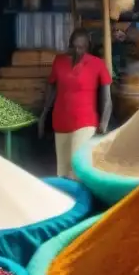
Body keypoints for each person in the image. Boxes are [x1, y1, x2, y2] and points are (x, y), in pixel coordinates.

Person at [39, 29, 112, 178]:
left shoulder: (97, 64)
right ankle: (66, 198)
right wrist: (43, 115)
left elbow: (107, 99)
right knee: (62, 170)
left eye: (81, 47)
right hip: (60, 120)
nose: (77, 51)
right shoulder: (59, 61)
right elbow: (52, 89)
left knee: (76, 168)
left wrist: (104, 124)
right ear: (69, 45)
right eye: (74, 47)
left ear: (88, 47)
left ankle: (81, 199)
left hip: (85, 122)